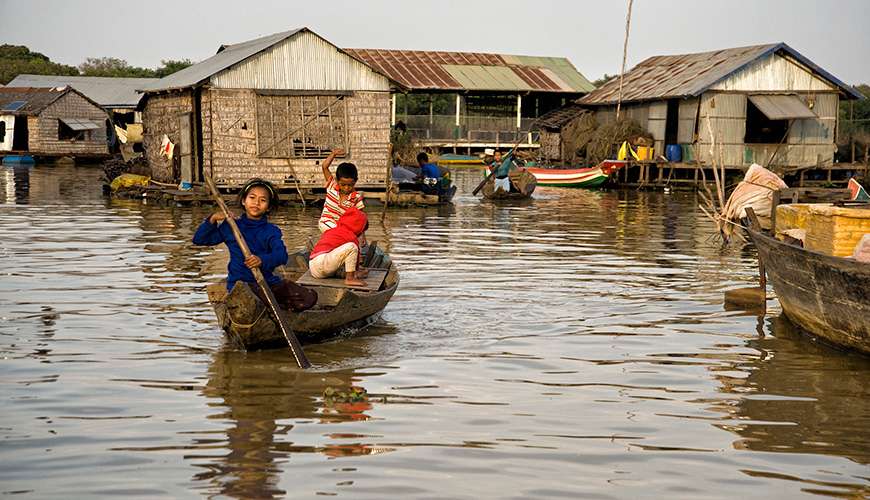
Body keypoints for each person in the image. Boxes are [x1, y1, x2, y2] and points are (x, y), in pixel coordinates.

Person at [193, 178, 317, 312]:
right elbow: (199, 239)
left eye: (263, 200)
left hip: (266, 283)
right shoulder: (232, 226)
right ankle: (273, 307)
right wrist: (212, 218)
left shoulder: (271, 231)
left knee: (309, 297)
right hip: (240, 285)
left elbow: (281, 256)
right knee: (250, 298)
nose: (256, 203)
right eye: (252, 197)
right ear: (243, 201)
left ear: (268, 207)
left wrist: (261, 260)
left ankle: (279, 308)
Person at [309, 206, 370, 287]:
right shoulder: (351, 236)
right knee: (352, 247)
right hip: (322, 264)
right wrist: (357, 269)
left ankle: (347, 274)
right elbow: (355, 257)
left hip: (313, 267)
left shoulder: (333, 230)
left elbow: (340, 256)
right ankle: (350, 279)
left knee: (347, 253)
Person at [319, 148, 365, 233]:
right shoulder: (332, 186)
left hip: (342, 228)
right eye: (343, 185)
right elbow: (324, 167)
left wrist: (362, 237)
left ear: (355, 181)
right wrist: (333, 154)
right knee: (340, 232)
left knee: (347, 233)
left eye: (350, 185)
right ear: (337, 180)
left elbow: (360, 220)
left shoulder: (356, 198)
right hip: (326, 223)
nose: (346, 188)